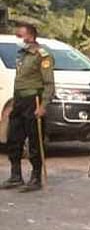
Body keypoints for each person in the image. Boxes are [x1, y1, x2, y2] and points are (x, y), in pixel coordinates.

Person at [3, 22, 54, 193]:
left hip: (34, 100)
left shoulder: (42, 55)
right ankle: (16, 175)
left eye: (20, 35)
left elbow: (49, 83)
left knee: (34, 141)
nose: (18, 38)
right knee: (13, 138)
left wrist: (44, 105)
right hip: (19, 100)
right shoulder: (21, 54)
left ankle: (35, 177)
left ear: (30, 36)